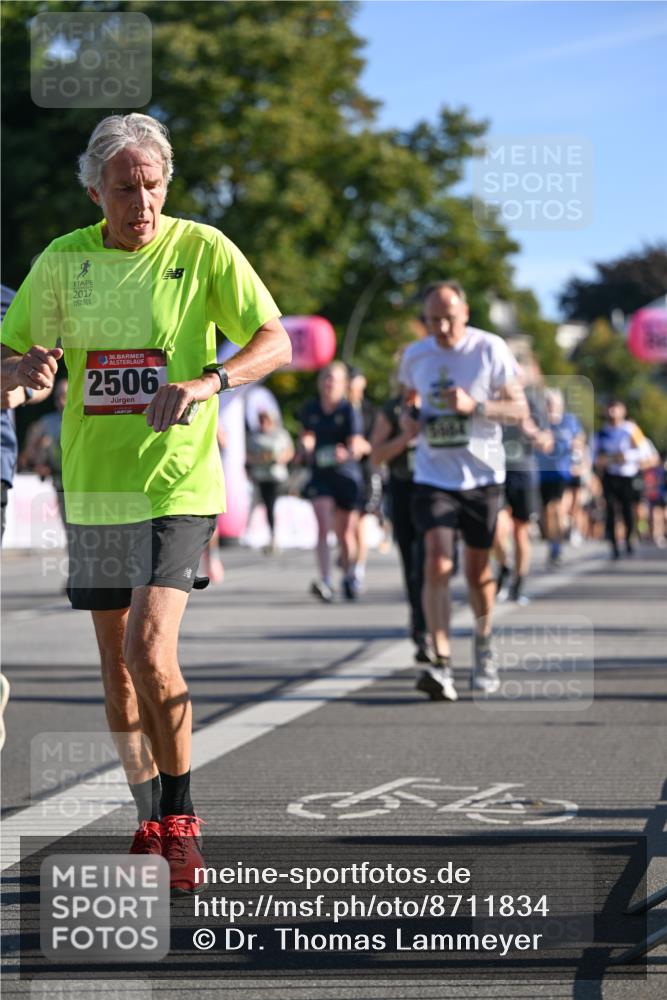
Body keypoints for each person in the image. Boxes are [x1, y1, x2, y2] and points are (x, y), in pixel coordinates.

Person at [0, 113, 292, 892]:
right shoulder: (64, 262)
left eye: (153, 186)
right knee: (116, 665)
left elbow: (275, 339)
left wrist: (211, 380)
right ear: (95, 190)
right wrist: (21, 372)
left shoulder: (201, 250)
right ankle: (147, 818)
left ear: (168, 184)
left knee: (147, 651)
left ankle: (185, 815)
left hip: (177, 483)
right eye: (125, 189)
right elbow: (17, 358)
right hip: (95, 487)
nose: (142, 203)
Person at [399, 280, 527, 702]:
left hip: (483, 476)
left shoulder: (490, 349)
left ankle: (484, 643)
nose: (440, 327)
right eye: (432, 320)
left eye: (448, 318)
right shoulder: (416, 354)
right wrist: (409, 418)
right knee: (436, 561)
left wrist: (477, 407)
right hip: (433, 474)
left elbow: (518, 408)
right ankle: (441, 662)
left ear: (465, 313)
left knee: (477, 571)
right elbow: (408, 398)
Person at [371, 381, 428, 662]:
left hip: (438, 489)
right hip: (405, 489)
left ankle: (429, 619)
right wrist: (406, 437)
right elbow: (376, 455)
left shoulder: (440, 400)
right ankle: (421, 628)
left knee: (439, 561)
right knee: (413, 563)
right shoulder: (392, 409)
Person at [299, 361, 367, 602]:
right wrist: (306, 444)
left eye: (334, 379)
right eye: (325, 378)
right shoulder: (311, 408)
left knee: (346, 533)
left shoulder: (349, 410)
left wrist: (346, 453)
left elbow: (356, 446)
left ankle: (350, 574)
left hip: (346, 476)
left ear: (343, 385)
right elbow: (306, 433)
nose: (328, 383)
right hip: (321, 474)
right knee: (322, 525)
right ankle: (326, 581)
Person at [494, 372, 552, 605]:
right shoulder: (491, 400)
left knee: (520, 532)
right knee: (496, 530)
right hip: (494, 471)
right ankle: (504, 566)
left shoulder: (532, 404)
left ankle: (519, 582)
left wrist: (528, 427)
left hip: (523, 471)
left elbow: (547, 443)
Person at [592, 399, 646, 560]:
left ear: (623, 411)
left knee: (627, 509)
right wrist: (600, 462)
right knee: (609, 509)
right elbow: (593, 456)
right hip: (610, 476)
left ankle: (629, 538)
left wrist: (626, 456)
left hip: (627, 476)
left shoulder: (630, 429)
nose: (612, 413)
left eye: (615, 409)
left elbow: (643, 451)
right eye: (609, 409)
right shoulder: (601, 433)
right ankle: (614, 544)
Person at [537, 389, 585, 567]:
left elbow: (580, 440)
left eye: (555, 403)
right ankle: (553, 544)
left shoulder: (569, 421)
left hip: (563, 472)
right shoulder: (539, 422)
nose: (551, 406)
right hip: (542, 473)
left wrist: (577, 454)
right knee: (547, 512)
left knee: (557, 509)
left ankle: (557, 546)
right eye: (549, 403)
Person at [347, 367, 379, 591]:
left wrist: (364, 446)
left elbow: (378, 443)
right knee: (345, 526)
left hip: (366, 473)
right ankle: (348, 565)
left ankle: (357, 569)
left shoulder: (371, 411)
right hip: (346, 473)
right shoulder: (340, 410)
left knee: (360, 522)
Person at [246, 409, 294, 553]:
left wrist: (279, 458)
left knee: (273, 505)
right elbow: (247, 455)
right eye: (261, 420)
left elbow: (289, 451)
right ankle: (253, 533)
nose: (263, 423)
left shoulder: (280, 434)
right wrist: (258, 459)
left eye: (266, 420)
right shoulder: (254, 436)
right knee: (260, 505)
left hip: (277, 476)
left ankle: (276, 534)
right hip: (260, 476)